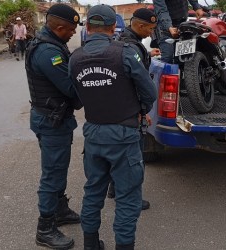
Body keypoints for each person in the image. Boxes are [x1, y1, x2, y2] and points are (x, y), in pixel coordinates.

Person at [69, 4, 157, 250]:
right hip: (124, 135)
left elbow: (76, 96)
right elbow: (149, 92)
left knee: (93, 191)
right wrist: (141, 111)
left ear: (87, 27)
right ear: (113, 27)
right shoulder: (125, 53)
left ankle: (90, 244)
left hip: (94, 134)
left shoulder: (75, 57)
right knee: (128, 197)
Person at [25, 4, 82, 249]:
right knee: (53, 174)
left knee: (58, 168)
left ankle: (59, 210)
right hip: (52, 121)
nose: (72, 34)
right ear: (59, 27)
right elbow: (70, 88)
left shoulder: (49, 43)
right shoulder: (49, 52)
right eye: (70, 30)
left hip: (53, 118)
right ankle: (45, 228)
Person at [106, 7, 161, 211]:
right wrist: (144, 110)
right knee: (134, 159)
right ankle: (131, 199)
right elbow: (138, 83)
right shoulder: (131, 46)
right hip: (132, 108)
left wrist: (147, 52)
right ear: (139, 25)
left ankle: (114, 188)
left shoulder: (125, 42)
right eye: (150, 29)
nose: (151, 33)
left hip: (121, 107)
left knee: (120, 154)